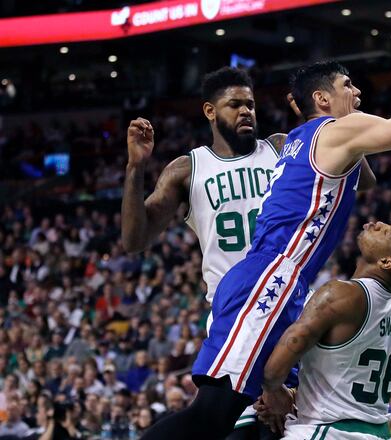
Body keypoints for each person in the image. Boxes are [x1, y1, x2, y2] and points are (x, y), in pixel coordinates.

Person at [142, 21, 391, 439]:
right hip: (269, 279)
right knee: (210, 416)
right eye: (347, 85)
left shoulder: (310, 137)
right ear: (322, 99)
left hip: (275, 279)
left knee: (255, 423)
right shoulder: (333, 131)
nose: (357, 93)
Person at [122, 67, 294, 436]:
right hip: (236, 311)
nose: (246, 111)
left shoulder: (281, 148)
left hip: (288, 304)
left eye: (250, 104)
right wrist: (136, 168)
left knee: (280, 423)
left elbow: (357, 175)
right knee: (214, 420)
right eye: (235, 104)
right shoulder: (187, 169)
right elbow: (134, 240)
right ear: (210, 111)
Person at [254, 221, 391, 439]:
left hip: (330, 431)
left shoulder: (341, 295)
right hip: (377, 431)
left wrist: (274, 392)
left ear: (386, 262)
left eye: (387, 232)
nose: (378, 224)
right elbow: (346, 374)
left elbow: (276, 368)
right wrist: (297, 395)